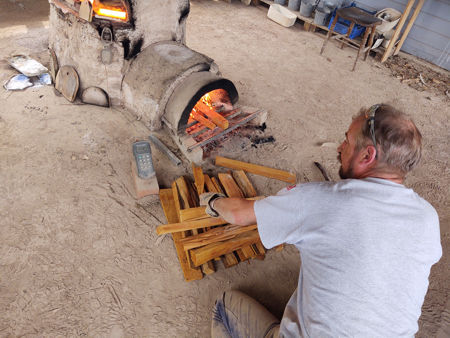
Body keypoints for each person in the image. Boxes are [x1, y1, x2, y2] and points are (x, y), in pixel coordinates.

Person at [201, 104, 442, 338]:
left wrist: (213, 202)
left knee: (226, 306)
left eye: (347, 140)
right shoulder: (428, 217)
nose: (340, 147)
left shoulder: (319, 199)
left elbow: (240, 214)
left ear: (368, 155)